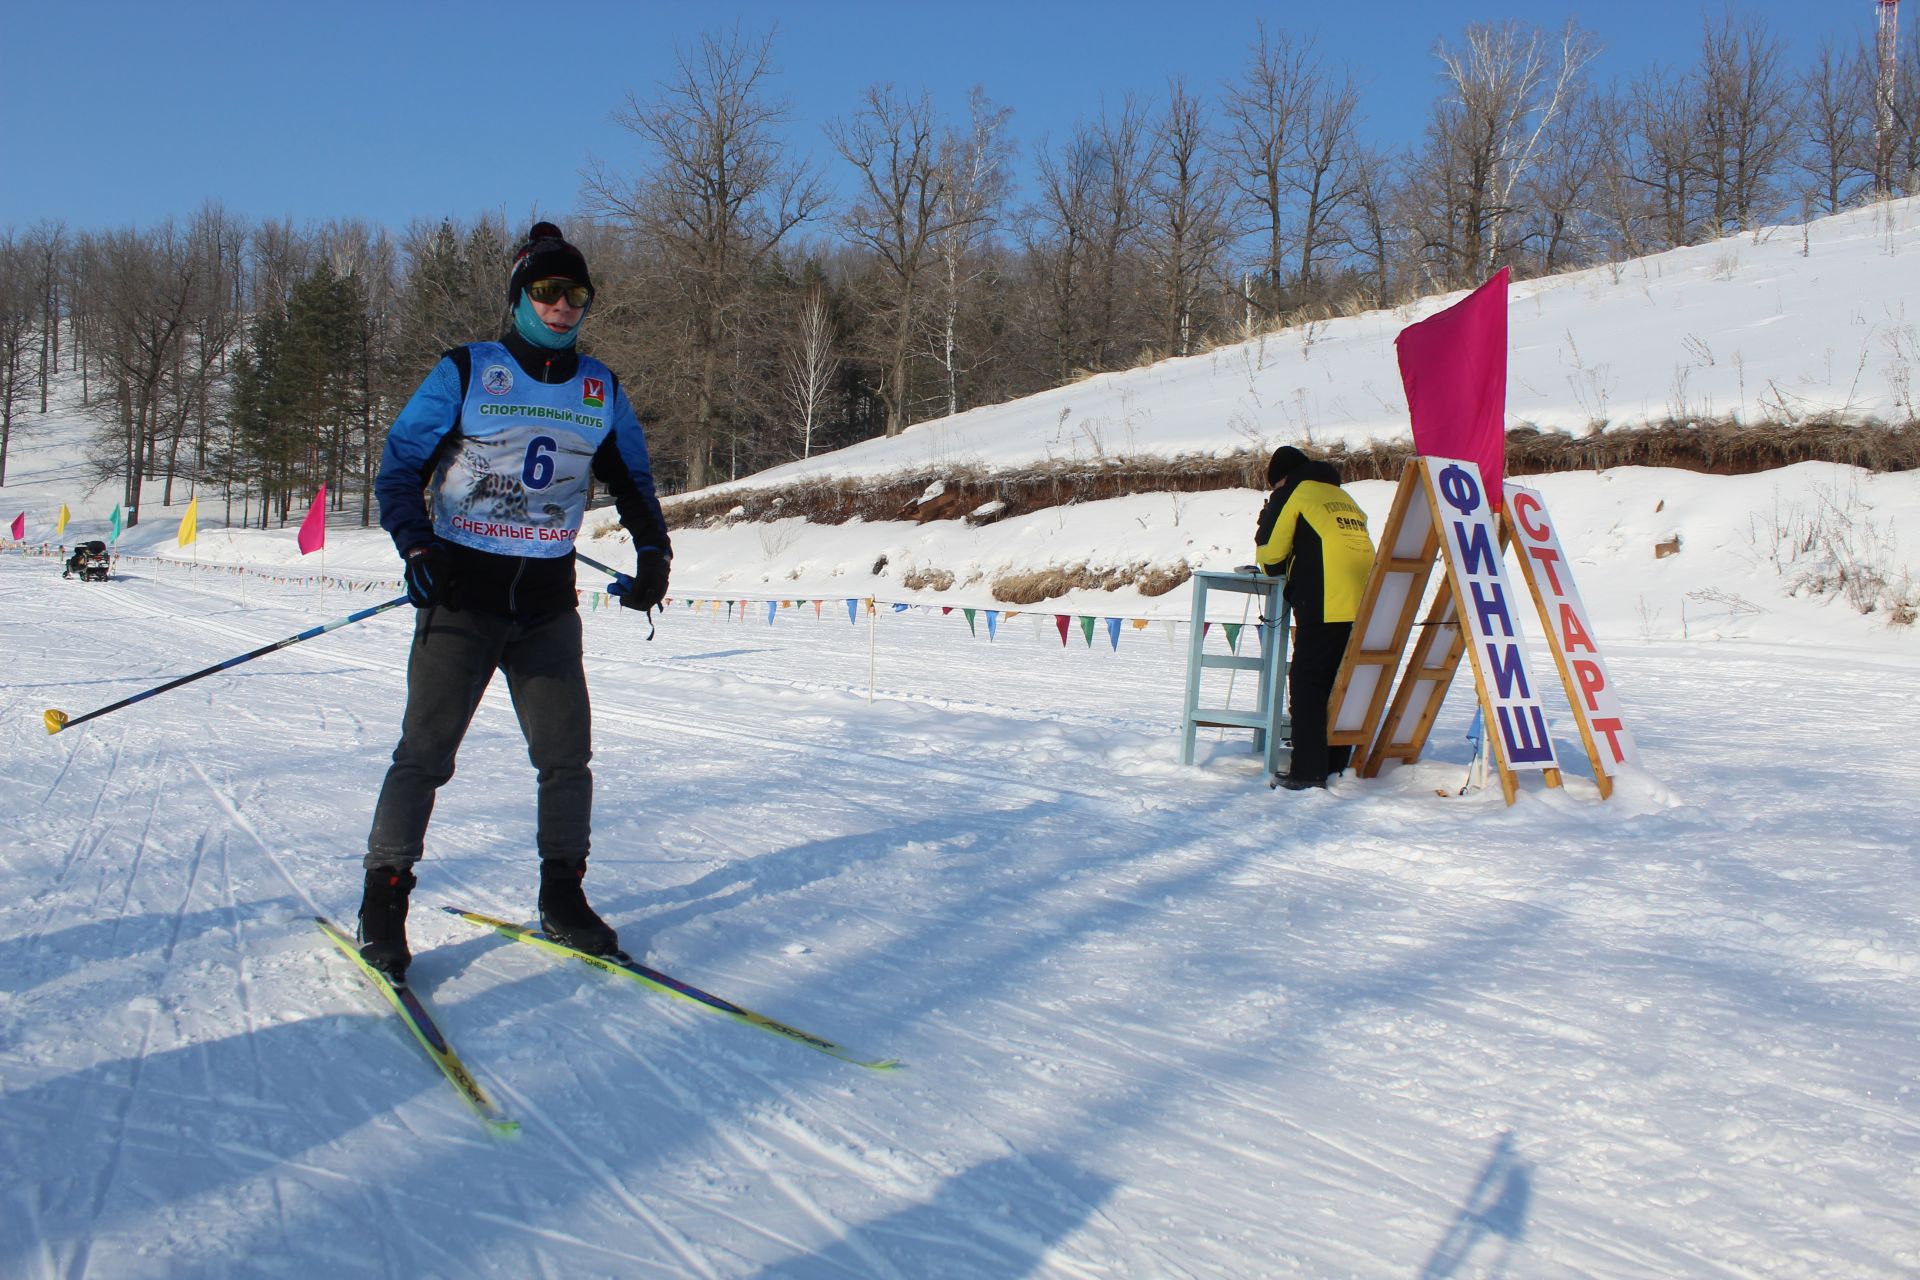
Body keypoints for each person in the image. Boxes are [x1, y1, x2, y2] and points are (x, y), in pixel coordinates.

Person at [356, 221, 672, 984]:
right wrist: (417, 546)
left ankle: (563, 897)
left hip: (544, 602)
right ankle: (384, 903)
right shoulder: (470, 370)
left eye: (576, 293)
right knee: (425, 755)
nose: (563, 305)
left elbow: (633, 480)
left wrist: (654, 553)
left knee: (566, 759)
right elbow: (399, 467)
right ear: (520, 297)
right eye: (546, 291)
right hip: (462, 592)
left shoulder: (600, 387)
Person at [1254, 445, 1375, 790]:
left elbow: (1270, 556)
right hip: (1365, 602)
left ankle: (1307, 770)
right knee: (1341, 685)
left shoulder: (1294, 492)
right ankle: (1336, 764)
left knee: (1308, 683)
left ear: (1281, 479)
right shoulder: (1344, 497)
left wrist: (1267, 521)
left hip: (1325, 600)